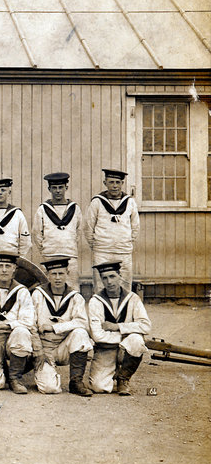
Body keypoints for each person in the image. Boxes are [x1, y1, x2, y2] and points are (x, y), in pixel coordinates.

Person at [0, 252, 38, 394]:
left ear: (14, 269)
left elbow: (28, 322)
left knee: (22, 331)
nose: (4, 270)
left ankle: (15, 378)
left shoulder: (22, 292)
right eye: (0, 266)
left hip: (14, 339)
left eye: (8, 266)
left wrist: (3, 326)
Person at [30, 257, 92, 396]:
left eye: (61, 273)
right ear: (47, 275)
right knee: (50, 389)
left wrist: (55, 328)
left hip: (64, 347)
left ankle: (76, 382)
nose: (57, 278)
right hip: (44, 349)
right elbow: (31, 324)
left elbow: (82, 322)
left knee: (80, 333)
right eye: (53, 274)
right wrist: (38, 350)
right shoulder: (38, 294)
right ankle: (47, 373)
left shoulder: (75, 297)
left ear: (67, 273)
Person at [87, 261, 151, 395]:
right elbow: (97, 335)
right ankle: (113, 370)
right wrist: (125, 335)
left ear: (119, 276)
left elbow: (146, 326)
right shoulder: (96, 300)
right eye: (104, 278)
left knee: (136, 340)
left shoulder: (133, 298)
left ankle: (123, 378)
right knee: (99, 387)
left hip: (124, 348)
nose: (109, 282)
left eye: (112, 276)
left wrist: (116, 327)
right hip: (105, 350)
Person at [84, 169, 140, 291]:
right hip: (102, 251)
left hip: (123, 251)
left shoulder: (130, 202)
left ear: (122, 183)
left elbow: (135, 226)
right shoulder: (97, 202)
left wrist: (126, 241)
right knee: (100, 284)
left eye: (117, 182)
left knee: (124, 284)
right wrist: (97, 244)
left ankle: (123, 309)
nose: (114, 186)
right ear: (105, 183)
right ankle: (101, 309)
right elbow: (88, 227)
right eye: (111, 182)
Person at [32, 173, 82, 290]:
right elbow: (37, 234)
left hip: (70, 256)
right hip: (50, 256)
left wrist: (68, 245)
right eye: (54, 188)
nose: (58, 191)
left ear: (66, 188)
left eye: (61, 187)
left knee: (72, 288)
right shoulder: (43, 209)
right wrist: (47, 249)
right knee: (49, 288)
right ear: (49, 189)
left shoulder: (75, 209)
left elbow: (78, 232)